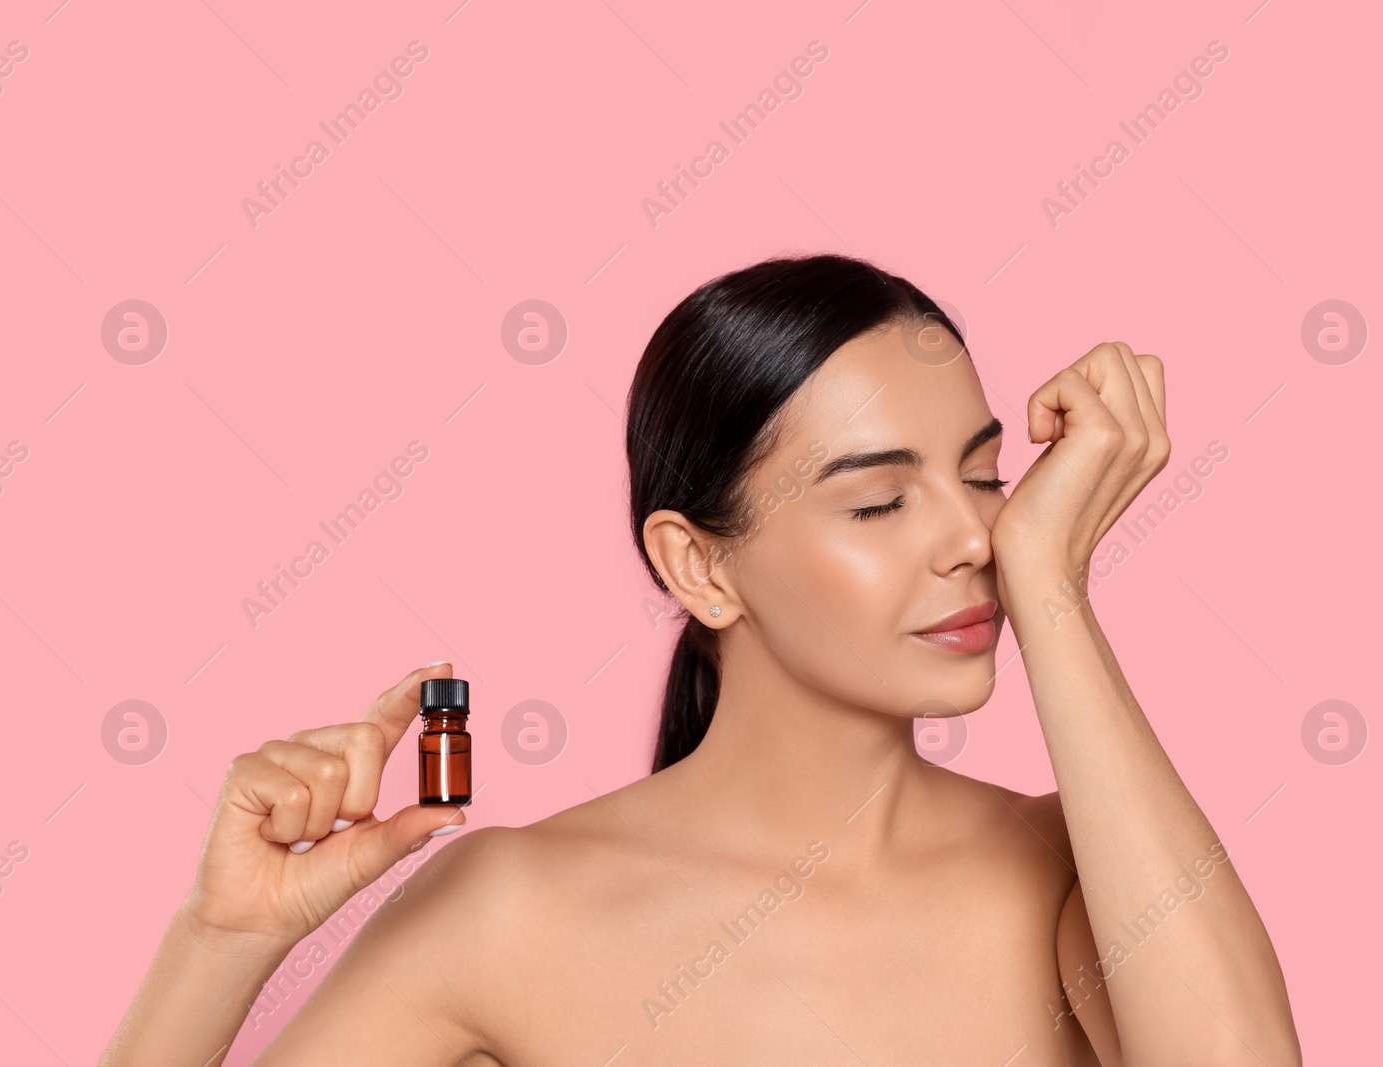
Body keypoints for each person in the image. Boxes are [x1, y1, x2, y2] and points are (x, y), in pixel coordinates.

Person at [102, 253, 1300, 1065]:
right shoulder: (512, 911)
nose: (972, 537)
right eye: (879, 502)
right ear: (699, 566)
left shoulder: (1074, 869)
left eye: (986, 478)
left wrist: (1055, 588)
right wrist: (222, 940)